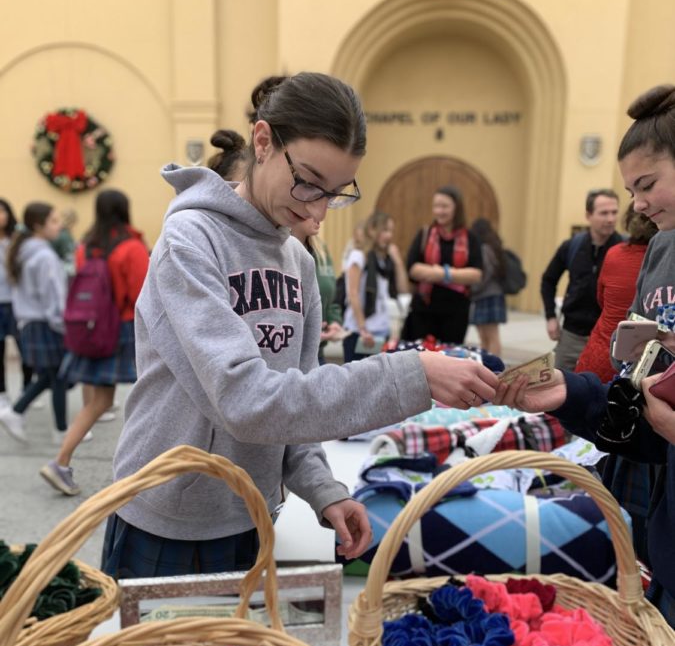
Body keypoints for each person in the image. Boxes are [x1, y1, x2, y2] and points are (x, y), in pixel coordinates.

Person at [104, 72, 499, 579]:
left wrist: (322, 488)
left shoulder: (299, 262)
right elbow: (246, 401)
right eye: (307, 181)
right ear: (264, 141)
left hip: (251, 514)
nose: (316, 208)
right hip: (166, 520)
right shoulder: (189, 240)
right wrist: (410, 373)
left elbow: (298, 396)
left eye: (334, 193)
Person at [496, 83, 675, 629]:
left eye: (647, 184)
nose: (637, 204)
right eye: (630, 191)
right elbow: (640, 405)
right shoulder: (662, 248)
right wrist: (571, 393)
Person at [40, 190, 149, 496]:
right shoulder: (131, 247)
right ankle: (140, 471)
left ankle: (60, 462)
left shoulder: (85, 247)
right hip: (126, 327)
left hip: (96, 328)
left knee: (100, 400)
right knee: (151, 394)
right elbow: (142, 295)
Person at [0, 203, 68, 443]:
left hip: (30, 322)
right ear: (39, 226)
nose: (59, 225)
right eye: (53, 221)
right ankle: (58, 430)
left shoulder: (22, 251)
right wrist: (62, 325)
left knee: (53, 376)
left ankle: (18, 412)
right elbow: (53, 297)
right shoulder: (44, 256)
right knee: (58, 376)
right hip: (46, 323)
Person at [540, 189, 622, 370]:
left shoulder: (625, 249)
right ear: (588, 215)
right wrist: (550, 316)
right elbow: (548, 280)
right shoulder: (571, 246)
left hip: (608, 337)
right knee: (560, 389)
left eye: (614, 212)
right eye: (604, 213)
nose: (610, 219)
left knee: (599, 394)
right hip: (572, 335)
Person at [575, 206, 657, 382]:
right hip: (637, 358)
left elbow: (601, 299)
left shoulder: (614, 253)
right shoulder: (660, 259)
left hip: (600, 349)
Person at [401, 184, 483, 345]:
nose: (439, 211)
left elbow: (476, 274)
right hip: (423, 311)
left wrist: (443, 274)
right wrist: (456, 276)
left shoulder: (470, 238)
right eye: (436, 206)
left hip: (455, 313)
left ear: (456, 208)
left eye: (444, 206)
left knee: (450, 359)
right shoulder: (425, 233)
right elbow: (412, 268)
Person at [342, 211, 408, 362]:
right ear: (372, 230)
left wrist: (397, 261)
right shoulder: (358, 256)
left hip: (380, 332)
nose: (389, 235)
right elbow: (353, 293)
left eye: (391, 231)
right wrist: (363, 329)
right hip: (360, 333)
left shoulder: (384, 261)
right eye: (385, 230)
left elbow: (403, 289)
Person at [288, 215, 345, 364]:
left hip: (317, 352)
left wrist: (334, 321)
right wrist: (308, 329)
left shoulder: (321, 251)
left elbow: (331, 295)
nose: (321, 215)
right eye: (311, 210)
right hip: (290, 354)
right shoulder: (279, 250)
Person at [0, 199, 33, 408]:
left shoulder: (17, 240)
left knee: (26, 349)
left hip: (17, 302)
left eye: (2, 211)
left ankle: (26, 389)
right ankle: (2, 394)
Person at [468, 217, 507, 356]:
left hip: (487, 296)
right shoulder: (494, 247)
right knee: (485, 336)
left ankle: (494, 367)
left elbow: (484, 276)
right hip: (489, 296)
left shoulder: (484, 249)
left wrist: (471, 289)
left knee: (491, 336)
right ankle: (486, 365)